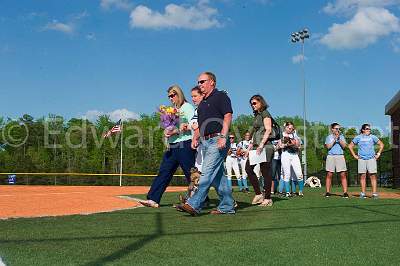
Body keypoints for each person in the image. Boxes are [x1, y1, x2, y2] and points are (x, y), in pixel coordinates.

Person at [178, 72, 235, 215]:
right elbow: (200, 124)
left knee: (207, 173)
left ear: (212, 82)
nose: (200, 84)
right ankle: (227, 206)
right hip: (205, 141)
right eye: (198, 82)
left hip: (218, 139)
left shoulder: (221, 96)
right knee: (217, 177)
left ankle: (194, 204)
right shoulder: (202, 104)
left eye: (202, 81)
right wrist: (195, 137)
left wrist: (223, 136)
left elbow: (228, 116)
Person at [139, 85, 196, 208]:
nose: (171, 98)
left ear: (179, 94)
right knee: (164, 171)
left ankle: (201, 198)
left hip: (185, 144)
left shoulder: (187, 107)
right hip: (173, 145)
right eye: (169, 96)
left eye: (173, 95)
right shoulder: (172, 110)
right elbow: (169, 125)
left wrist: (177, 131)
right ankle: (153, 199)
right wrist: (166, 131)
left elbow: (194, 125)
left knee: (190, 174)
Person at [245, 95, 274, 207]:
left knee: (265, 171)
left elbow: (268, 130)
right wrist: (249, 148)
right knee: (248, 168)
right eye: (251, 104)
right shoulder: (257, 115)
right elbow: (256, 133)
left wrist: (261, 144)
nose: (253, 105)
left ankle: (268, 198)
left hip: (266, 146)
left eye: (255, 103)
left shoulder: (265, 113)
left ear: (261, 102)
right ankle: (258, 194)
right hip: (256, 146)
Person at [348, 124, 384, 199]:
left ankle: (374, 194)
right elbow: (350, 146)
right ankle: (363, 193)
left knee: (373, 176)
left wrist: (378, 154)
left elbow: (381, 144)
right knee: (362, 176)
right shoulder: (358, 137)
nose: (369, 130)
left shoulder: (373, 137)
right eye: (367, 129)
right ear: (363, 130)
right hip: (361, 159)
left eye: (370, 129)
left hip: (371, 159)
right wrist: (354, 155)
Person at [278, 122, 304, 197]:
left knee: (299, 174)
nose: (291, 130)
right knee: (287, 174)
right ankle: (287, 192)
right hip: (286, 154)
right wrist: (287, 144)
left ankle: (300, 191)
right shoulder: (281, 134)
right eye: (289, 128)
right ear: (285, 127)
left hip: (294, 155)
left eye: (292, 128)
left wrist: (295, 144)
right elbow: (280, 146)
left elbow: (299, 145)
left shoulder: (294, 134)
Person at [324, 122, 349, 198]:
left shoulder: (342, 136)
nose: (338, 130)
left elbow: (344, 146)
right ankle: (328, 192)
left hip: (340, 156)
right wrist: (334, 140)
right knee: (329, 174)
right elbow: (328, 147)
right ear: (332, 129)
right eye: (336, 128)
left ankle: (345, 192)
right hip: (331, 156)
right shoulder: (329, 137)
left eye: (339, 129)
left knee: (343, 174)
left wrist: (339, 139)